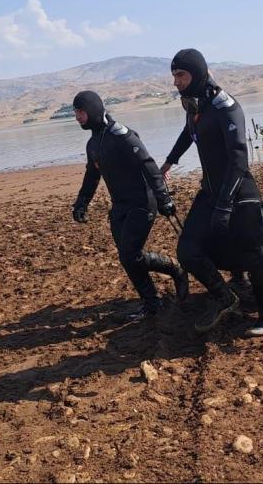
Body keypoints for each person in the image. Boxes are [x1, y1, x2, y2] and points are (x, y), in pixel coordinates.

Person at [160, 49, 263, 336]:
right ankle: (224, 296)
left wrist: (225, 205)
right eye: (174, 75)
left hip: (239, 191)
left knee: (251, 253)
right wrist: (168, 162)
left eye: (181, 75)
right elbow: (188, 133)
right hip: (211, 192)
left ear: (198, 74)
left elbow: (239, 158)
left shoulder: (226, 107)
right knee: (187, 250)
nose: (175, 82)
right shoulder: (196, 106)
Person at [70, 90, 188, 321]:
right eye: (75, 112)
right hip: (120, 206)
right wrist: (82, 202)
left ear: (92, 109)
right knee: (129, 256)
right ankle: (162, 285)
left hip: (143, 202)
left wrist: (164, 198)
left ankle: (160, 291)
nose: (77, 117)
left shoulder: (122, 135)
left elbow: (148, 165)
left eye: (81, 111)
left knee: (129, 254)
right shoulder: (93, 144)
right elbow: (92, 176)